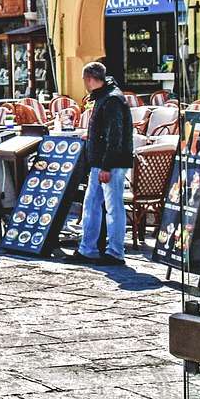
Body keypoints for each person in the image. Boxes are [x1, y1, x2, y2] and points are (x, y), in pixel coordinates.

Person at [77, 61, 134, 266]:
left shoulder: (111, 100)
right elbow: (107, 131)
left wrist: (107, 166)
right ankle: (88, 248)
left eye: (84, 79)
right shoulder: (106, 97)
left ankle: (115, 251)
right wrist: (91, 136)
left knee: (113, 207)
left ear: (90, 79)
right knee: (91, 204)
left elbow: (115, 136)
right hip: (100, 161)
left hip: (110, 163)